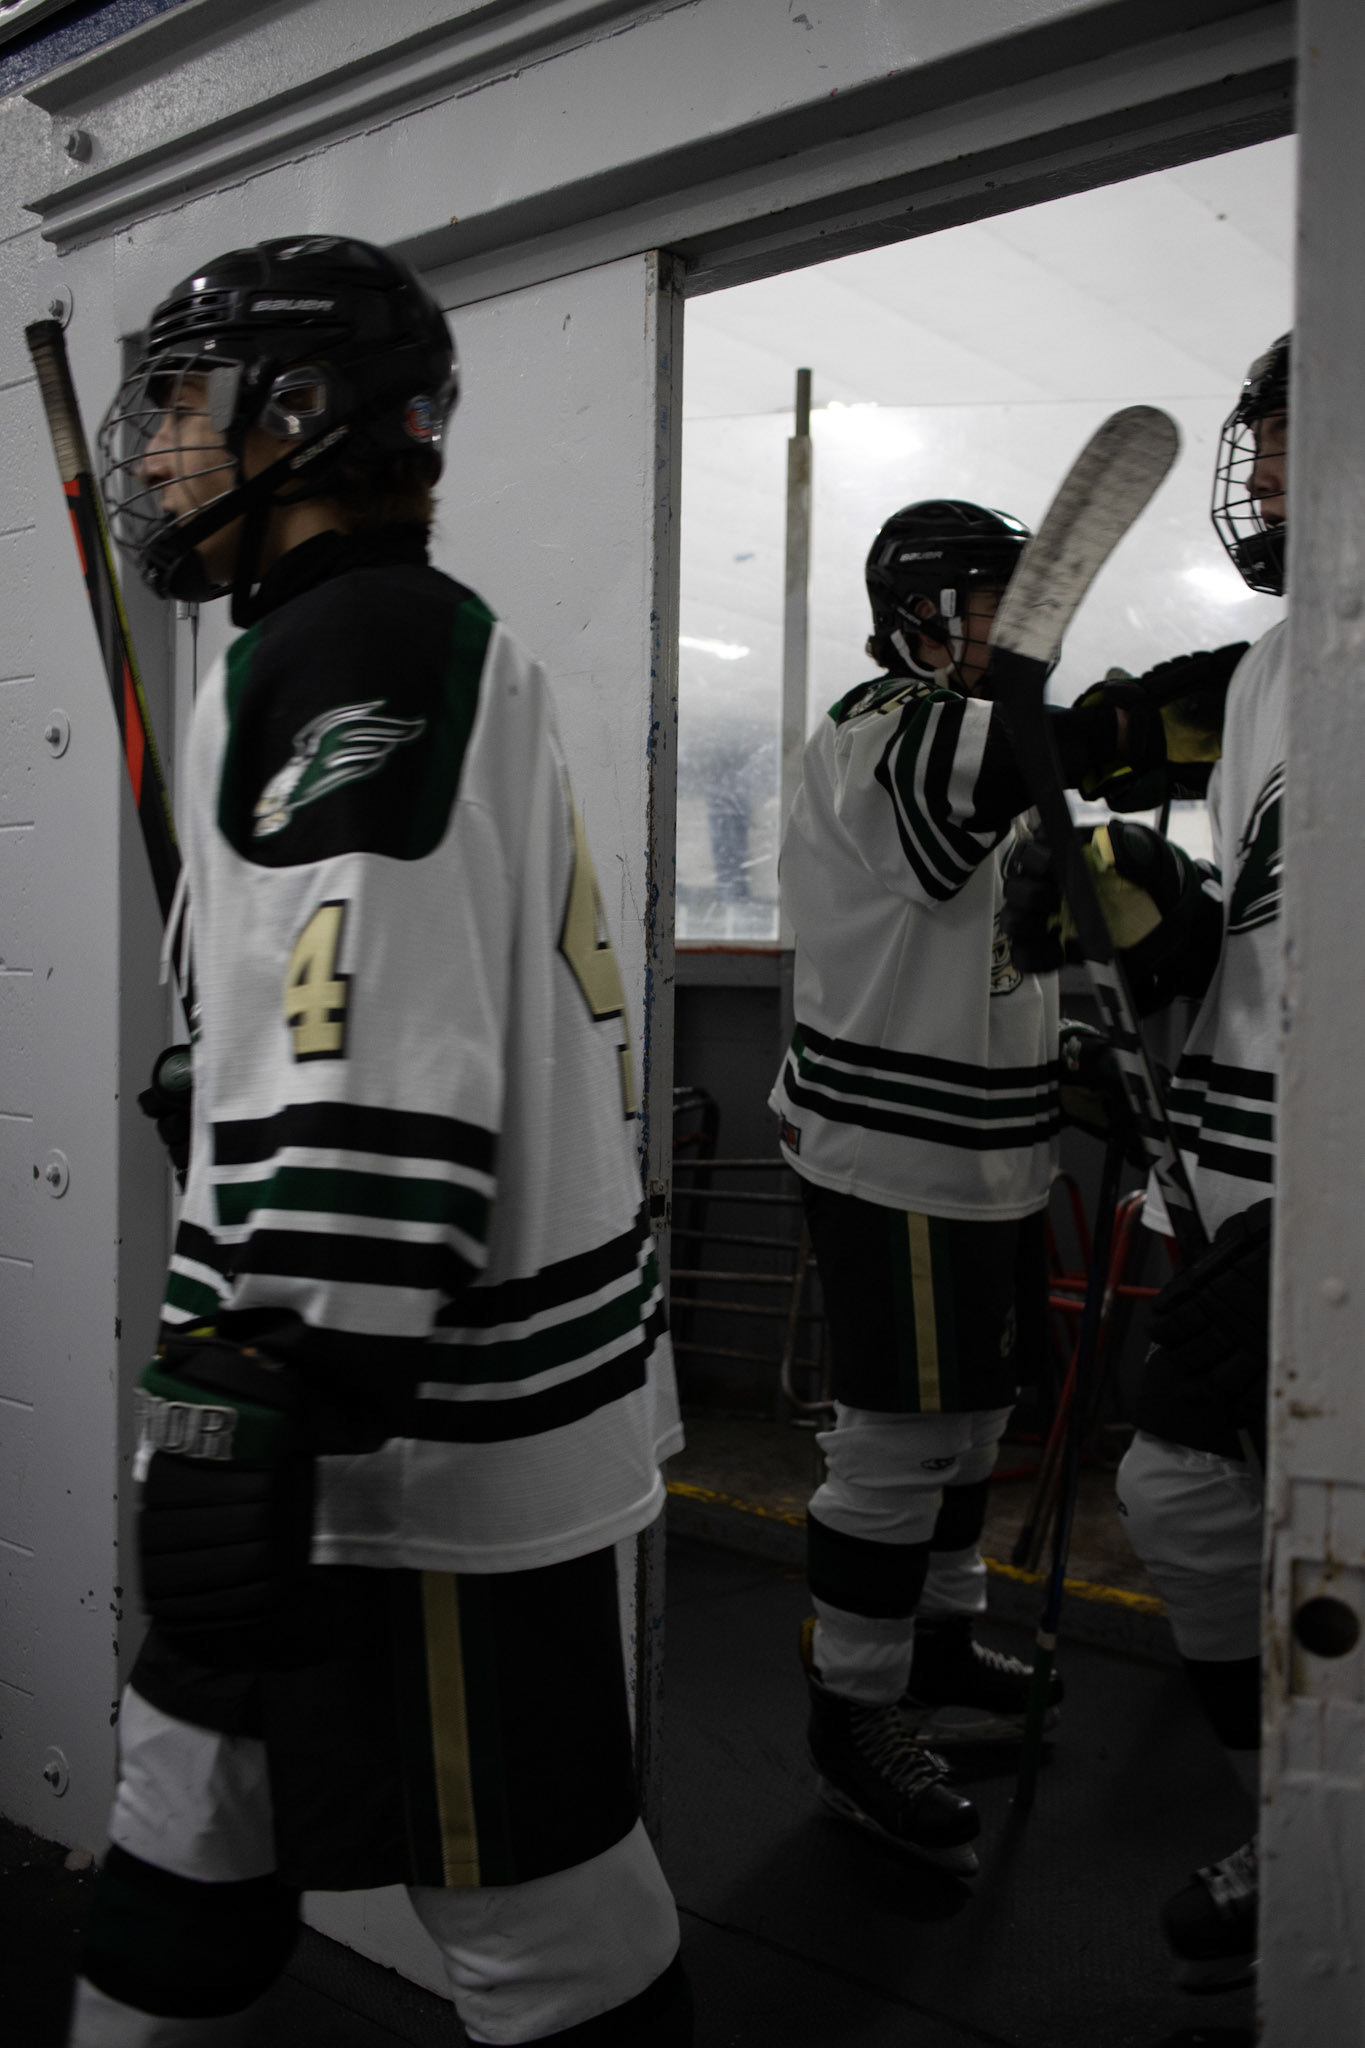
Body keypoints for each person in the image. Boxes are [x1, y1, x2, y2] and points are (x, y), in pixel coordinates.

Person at [68, 236, 688, 2047]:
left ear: (302, 412)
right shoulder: (349, 634)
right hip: (339, 1399)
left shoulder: (358, 641)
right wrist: (233, 1087)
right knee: (184, 1825)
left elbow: (384, 1024)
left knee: (539, 1920)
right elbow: (363, 987)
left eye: (181, 406)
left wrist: (273, 1379)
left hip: (408, 1435)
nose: (156, 450)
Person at [769, 499, 1138, 1872]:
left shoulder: (978, 742)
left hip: (984, 1152)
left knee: (974, 1425)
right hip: (898, 1155)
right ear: (919, 614)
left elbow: (987, 950)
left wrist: (1066, 1054)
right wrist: (1150, 718)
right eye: (993, 602)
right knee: (899, 1443)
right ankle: (852, 1713)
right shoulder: (891, 725)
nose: (1016, 627)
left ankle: (930, 1644)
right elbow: (1032, 757)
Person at [1005, 336, 1290, 1992]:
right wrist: (1165, 954)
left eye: (1306, 435)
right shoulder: (1267, 675)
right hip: (1239, 1195)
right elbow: (1274, 928)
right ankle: (1303, 1832)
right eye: (1272, 439)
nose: (1271, 472)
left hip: (1325, 1224)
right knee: (1189, 1496)